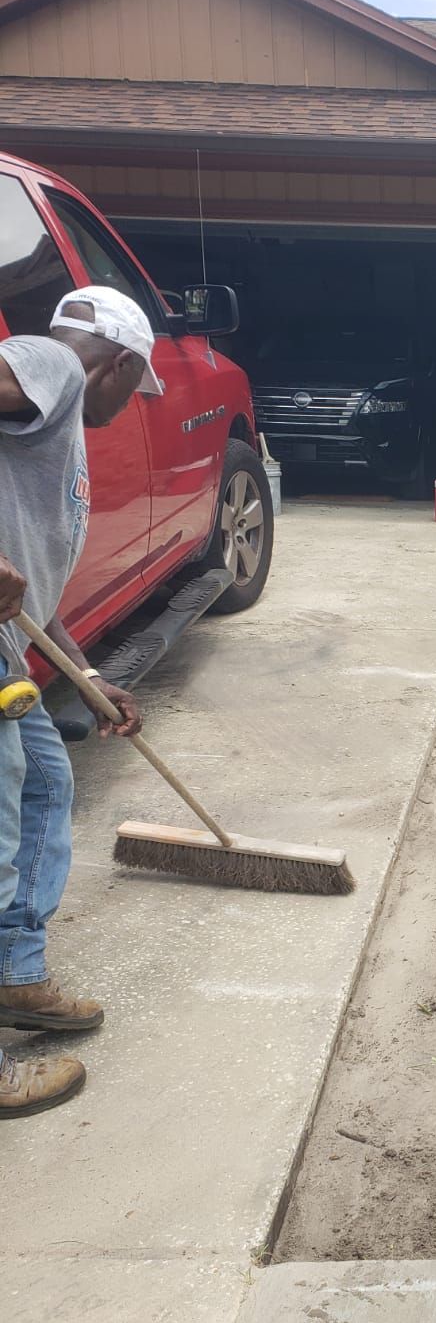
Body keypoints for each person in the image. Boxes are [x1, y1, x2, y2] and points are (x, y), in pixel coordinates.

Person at [0, 285, 161, 1116]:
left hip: (6, 646)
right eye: (138, 387)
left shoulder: (49, 432)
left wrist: (88, 676)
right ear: (120, 366)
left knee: (44, 786)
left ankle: (18, 979)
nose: (134, 403)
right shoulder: (53, 363)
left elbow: (38, 583)